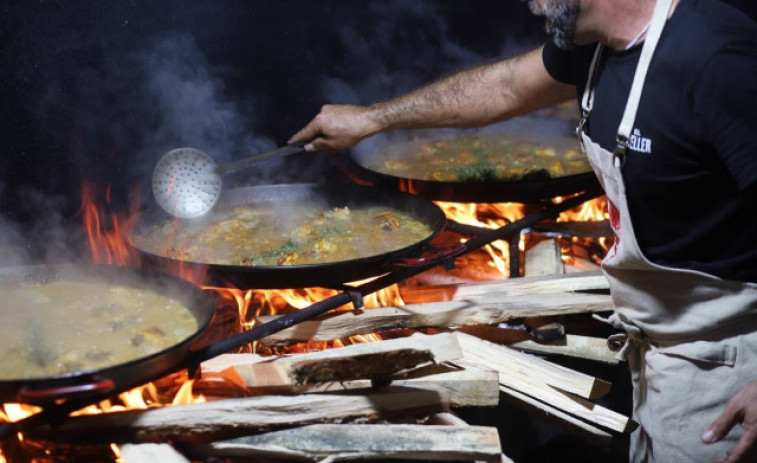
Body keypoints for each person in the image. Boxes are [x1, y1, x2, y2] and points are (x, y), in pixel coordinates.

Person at [289, 0, 757, 462]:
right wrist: (371, 119)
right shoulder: (595, 47)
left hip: (723, 363)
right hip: (658, 346)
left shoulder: (715, 54)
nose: (532, 5)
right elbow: (507, 86)